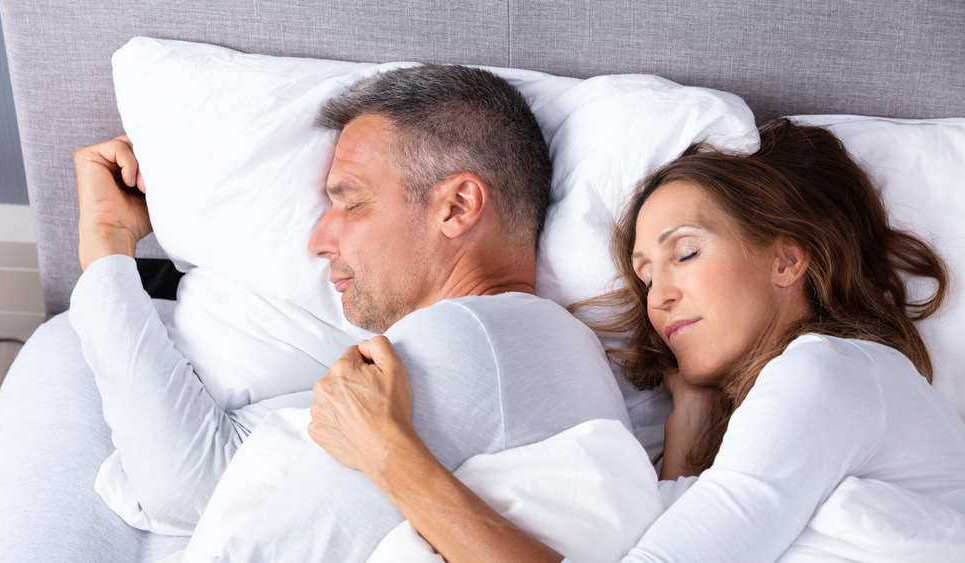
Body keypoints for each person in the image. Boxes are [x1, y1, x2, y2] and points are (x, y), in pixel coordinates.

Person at [309, 118, 965, 561]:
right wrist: (688, 432)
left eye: (685, 253)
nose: (659, 297)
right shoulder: (823, 392)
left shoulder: (825, 372)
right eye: (646, 276)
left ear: (787, 259)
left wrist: (390, 453)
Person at [69, 64, 630, 560]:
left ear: (457, 206)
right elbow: (193, 483)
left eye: (352, 203)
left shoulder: (462, 341)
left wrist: (106, 249)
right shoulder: (525, 345)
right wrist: (107, 248)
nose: (319, 238)